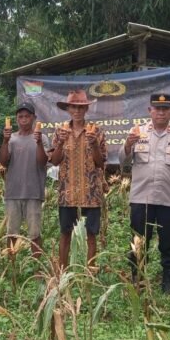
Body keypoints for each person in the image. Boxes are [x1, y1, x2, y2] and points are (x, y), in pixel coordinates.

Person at [119, 93, 170, 293]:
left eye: (165, 109)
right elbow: (123, 161)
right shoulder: (137, 133)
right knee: (138, 241)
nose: (161, 112)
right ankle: (138, 279)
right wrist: (128, 145)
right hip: (141, 198)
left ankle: (168, 280)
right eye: (157, 109)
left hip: (169, 200)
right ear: (149, 111)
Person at [49, 88, 107, 270]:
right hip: (67, 193)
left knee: (91, 234)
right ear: (68, 109)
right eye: (73, 107)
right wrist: (59, 143)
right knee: (65, 233)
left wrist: (94, 145)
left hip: (91, 193)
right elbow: (55, 161)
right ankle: (63, 271)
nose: (77, 111)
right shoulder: (60, 132)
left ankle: (90, 271)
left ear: (86, 110)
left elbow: (100, 163)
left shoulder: (96, 132)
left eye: (80, 108)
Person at [0, 101, 50, 257]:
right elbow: (3, 162)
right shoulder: (11, 139)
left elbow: (43, 162)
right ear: (16, 119)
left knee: (34, 233)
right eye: (20, 116)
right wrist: (5, 141)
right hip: (13, 192)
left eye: (27, 116)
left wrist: (39, 142)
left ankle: (37, 267)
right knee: (11, 232)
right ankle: (11, 267)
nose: (24, 119)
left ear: (33, 118)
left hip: (34, 192)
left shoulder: (42, 138)